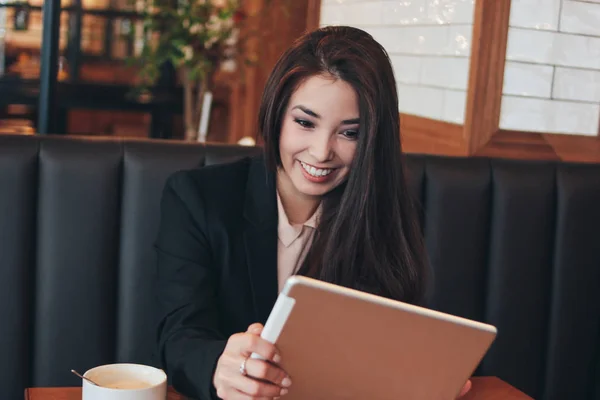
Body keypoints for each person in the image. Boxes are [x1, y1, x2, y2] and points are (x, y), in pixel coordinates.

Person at [154, 25, 472, 400]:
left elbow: (396, 340)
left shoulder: (383, 212)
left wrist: (426, 374)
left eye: (350, 133)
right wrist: (218, 367)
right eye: (305, 122)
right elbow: (179, 336)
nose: (322, 152)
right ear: (276, 115)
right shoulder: (197, 197)